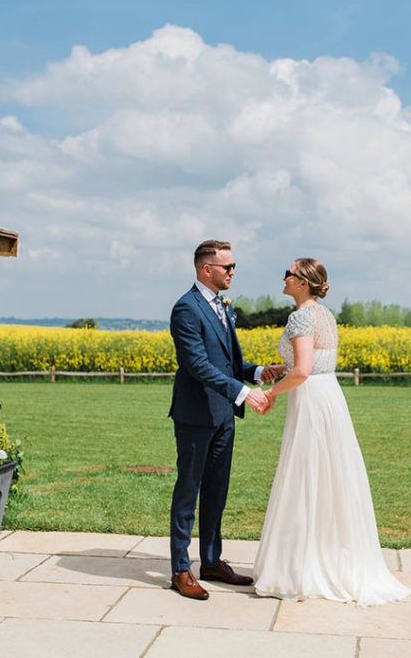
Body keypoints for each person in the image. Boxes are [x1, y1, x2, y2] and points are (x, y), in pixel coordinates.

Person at [252, 258, 411, 606]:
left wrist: (270, 393)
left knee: (305, 476)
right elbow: (315, 362)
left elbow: (303, 372)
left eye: (289, 273)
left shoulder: (299, 317)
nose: (283, 277)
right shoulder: (325, 315)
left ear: (303, 282)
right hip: (330, 397)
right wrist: (283, 369)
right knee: (330, 477)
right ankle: (329, 558)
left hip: (310, 399)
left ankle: (301, 567)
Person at [168, 239, 284, 600]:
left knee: (217, 491)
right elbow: (197, 365)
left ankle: (212, 561)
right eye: (227, 267)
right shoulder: (186, 309)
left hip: (222, 415)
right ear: (207, 269)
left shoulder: (220, 305)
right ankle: (180, 570)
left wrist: (260, 371)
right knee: (189, 491)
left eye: (233, 267)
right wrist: (244, 392)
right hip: (195, 415)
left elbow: (226, 362)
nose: (233, 272)